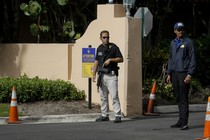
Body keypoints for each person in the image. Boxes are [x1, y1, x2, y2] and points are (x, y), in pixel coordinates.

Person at [166, 22, 196, 130]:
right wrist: (169, 73)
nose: (181, 31)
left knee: (183, 98)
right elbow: (171, 59)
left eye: (182, 29)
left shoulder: (188, 43)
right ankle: (180, 120)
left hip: (184, 73)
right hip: (174, 73)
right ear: (175, 31)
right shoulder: (173, 43)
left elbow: (192, 59)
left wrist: (189, 74)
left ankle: (184, 122)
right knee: (178, 97)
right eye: (179, 30)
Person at [92, 30, 124, 123]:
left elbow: (121, 59)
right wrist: (94, 74)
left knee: (114, 96)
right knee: (103, 97)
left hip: (111, 75)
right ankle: (104, 115)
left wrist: (111, 59)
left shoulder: (113, 47)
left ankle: (118, 115)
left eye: (107, 37)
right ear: (100, 38)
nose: (106, 39)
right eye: (104, 37)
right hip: (102, 75)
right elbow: (96, 61)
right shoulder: (99, 48)